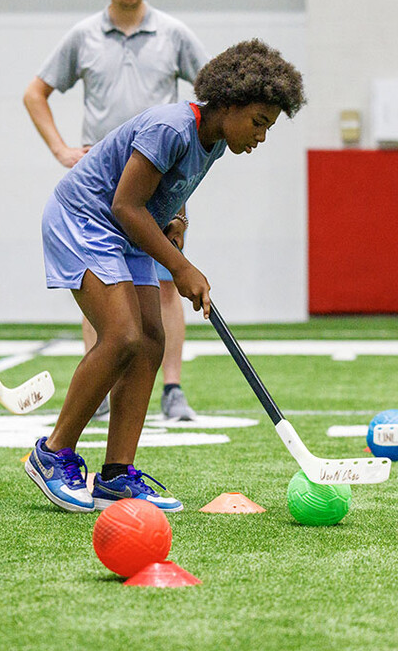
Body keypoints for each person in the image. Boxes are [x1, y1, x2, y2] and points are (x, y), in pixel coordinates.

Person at [25, 39, 305, 512]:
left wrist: (177, 220)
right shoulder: (171, 127)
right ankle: (53, 453)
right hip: (85, 219)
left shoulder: (212, 141)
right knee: (121, 337)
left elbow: (162, 196)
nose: (260, 137)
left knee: (151, 340)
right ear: (229, 104)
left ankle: (116, 473)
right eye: (258, 122)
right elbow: (124, 204)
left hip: (126, 228)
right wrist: (181, 267)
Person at [23, 0, 208, 421]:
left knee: (165, 285)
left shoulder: (174, 33)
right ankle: (101, 388)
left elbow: (212, 94)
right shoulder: (83, 35)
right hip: (104, 185)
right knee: (106, 288)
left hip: (160, 182)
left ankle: (172, 388)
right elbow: (35, 93)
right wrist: (62, 149)